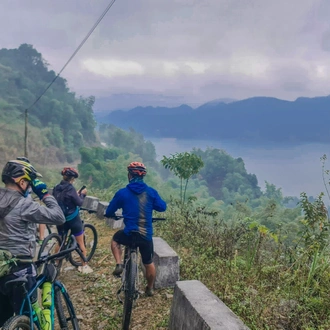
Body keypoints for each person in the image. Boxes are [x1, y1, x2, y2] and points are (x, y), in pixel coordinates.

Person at [0, 159, 65, 327]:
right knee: (31, 320)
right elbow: (58, 217)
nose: (30, 187)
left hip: (1, 267)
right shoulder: (25, 204)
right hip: (20, 270)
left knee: (3, 319)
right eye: (29, 183)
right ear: (21, 181)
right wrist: (45, 195)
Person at [105, 161, 166, 297]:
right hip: (145, 236)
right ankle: (149, 288)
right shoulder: (151, 192)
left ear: (129, 176)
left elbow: (109, 211)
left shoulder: (122, 193)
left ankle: (119, 264)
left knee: (115, 240)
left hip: (129, 234)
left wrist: (112, 215)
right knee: (148, 262)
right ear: (143, 176)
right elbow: (162, 207)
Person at [52, 167, 93, 274]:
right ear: (73, 179)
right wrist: (83, 194)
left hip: (60, 219)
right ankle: (84, 266)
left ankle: (56, 264)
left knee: (60, 241)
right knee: (81, 243)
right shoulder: (70, 188)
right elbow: (79, 202)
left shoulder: (56, 187)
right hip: (73, 219)